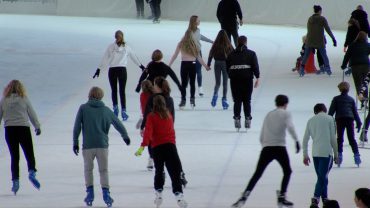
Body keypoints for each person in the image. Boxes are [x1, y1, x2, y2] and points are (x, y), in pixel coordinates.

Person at [231, 95, 300, 208]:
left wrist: (265, 144)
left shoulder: (269, 114)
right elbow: (290, 127)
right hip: (279, 147)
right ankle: (282, 196)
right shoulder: (286, 113)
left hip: (267, 148)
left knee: (257, 173)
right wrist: (296, 140)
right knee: (287, 171)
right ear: (286, 104)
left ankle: (244, 196)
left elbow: (263, 132)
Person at [73, 86, 130, 207]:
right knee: (103, 171)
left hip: (88, 146)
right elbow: (118, 124)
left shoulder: (83, 108)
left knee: (88, 170)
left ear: (89, 95)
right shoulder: (106, 110)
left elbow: (77, 126)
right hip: (102, 146)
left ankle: (90, 193)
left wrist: (75, 142)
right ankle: (106, 193)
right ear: (101, 96)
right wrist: (125, 136)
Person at [135, 95, 188, 208]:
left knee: (159, 171)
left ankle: (158, 193)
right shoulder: (168, 114)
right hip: (170, 147)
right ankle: (179, 196)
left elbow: (148, 133)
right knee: (174, 172)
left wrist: (142, 147)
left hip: (157, 148)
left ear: (153, 104)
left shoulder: (151, 116)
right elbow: (172, 131)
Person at [140, 77, 188, 186]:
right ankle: (179, 174)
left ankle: (162, 173)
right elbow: (172, 117)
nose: (153, 86)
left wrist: (143, 127)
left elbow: (147, 115)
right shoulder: (169, 99)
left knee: (157, 154)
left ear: (159, 87)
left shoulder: (153, 99)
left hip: (156, 134)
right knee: (173, 156)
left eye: (155, 84)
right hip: (167, 134)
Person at [0, 80, 41, 195]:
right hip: (23, 129)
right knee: (29, 153)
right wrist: (37, 126)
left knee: (14, 156)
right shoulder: (24, 99)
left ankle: (15, 181)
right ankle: (32, 172)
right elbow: (31, 113)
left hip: (10, 130)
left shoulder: (4, 100)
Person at [93, 30, 145, 121]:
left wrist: (99, 69)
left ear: (115, 37)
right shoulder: (127, 47)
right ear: (122, 37)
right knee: (122, 91)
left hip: (112, 70)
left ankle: (115, 108)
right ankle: (124, 110)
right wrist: (141, 66)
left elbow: (105, 58)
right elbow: (134, 57)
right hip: (122, 70)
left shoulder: (111, 47)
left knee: (114, 90)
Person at [302, 103, 338, 208]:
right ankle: (316, 197)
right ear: (325, 110)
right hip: (326, 153)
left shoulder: (311, 120)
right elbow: (333, 138)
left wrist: (305, 154)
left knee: (322, 177)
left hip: (315, 153)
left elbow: (305, 139)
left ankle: (325, 198)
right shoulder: (330, 119)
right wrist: (336, 154)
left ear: (315, 111)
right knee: (322, 177)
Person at [168, 30, 210, 109]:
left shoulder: (182, 44)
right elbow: (199, 58)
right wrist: (205, 66)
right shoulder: (193, 45)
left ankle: (184, 100)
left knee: (184, 84)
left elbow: (175, 55)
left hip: (184, 64)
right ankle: (191, 99)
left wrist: (169, 65)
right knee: (192, 83)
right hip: (192, 64)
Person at [227, 35, 259, 130]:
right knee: (247, 100)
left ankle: (237, 118)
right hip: (247, 79)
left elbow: (227, 67)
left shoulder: (231, 54)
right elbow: (255, 66)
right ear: (246, 42)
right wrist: (257, 77)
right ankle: (247, 118)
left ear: (237, 42)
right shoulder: (251, 54)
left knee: (237, 101)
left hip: (235, 80)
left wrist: (231, 75)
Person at [328, 82, 362, 167]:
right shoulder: (351, 99)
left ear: (339, 89)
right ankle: (357, 155)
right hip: (349, 119)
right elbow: (355, 112)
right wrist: (358, 122)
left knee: (340, 138)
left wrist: (328, 121)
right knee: (351, 138)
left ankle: (339, 156)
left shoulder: (336, 99)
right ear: (348, 89)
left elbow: (331, 111)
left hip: (340, 119)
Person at [299, 5, 337, 77]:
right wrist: (333, 38)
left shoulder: (310, 19)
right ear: (319, 11)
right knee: (324, 55)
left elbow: (309, 30)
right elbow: (328, 29)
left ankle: (302, 69)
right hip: (319, 40)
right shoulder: (322, 19)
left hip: (310, 40)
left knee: (306, 55)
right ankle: (327, 68)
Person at [342, 31, 370, 109]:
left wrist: (344, 65)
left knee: (358, 84)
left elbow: (347, 56)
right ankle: (365, 102)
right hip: (366, 66)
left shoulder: (352, 46)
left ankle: (362, 102)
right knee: (365, 84)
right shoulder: (368, 45)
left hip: (355, 66)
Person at [188, 15, 214, 97]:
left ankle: (200, 88)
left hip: (198, 52)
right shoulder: (189, 32)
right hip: (192, 53)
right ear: (194, 21)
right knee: (192, 71)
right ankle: (188, 86)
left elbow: (200, 37)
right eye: (198, 20)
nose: (200, 21)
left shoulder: (198, 30)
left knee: (198, 70)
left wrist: (210, 41)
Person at [207, 29, 234, 109]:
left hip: (217, 63)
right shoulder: (228, 44)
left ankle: (215, 94)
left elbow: (210, 54)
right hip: (225, 64)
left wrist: (209, 64)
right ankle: (224, 99)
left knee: (217, 82)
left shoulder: (215, 44)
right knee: (225, 83)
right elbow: (233, 54)